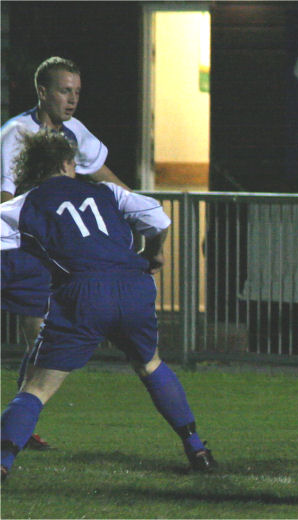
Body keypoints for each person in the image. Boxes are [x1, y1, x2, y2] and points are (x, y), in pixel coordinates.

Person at [0, 130, 215, 481]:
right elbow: (158, 216)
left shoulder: (24, 204)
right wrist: (154, 251)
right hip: (133, 284)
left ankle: (3, 462)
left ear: (31, 169)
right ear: (69, 163)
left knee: (36, 388)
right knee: (150, 364)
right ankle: (197, 449)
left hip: (82, 291)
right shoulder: (106, 191)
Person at [1, 57, 131, 450]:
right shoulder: (17, 132)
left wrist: (137, 207)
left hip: (31, 256)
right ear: (42, 92)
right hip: (11, 250)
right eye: (64, 90)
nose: (72, 99)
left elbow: (104, 175)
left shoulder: (73, 132)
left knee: (43, 336)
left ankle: (18, 424)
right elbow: (5, 194)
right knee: (44, 336)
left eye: (76, 91)